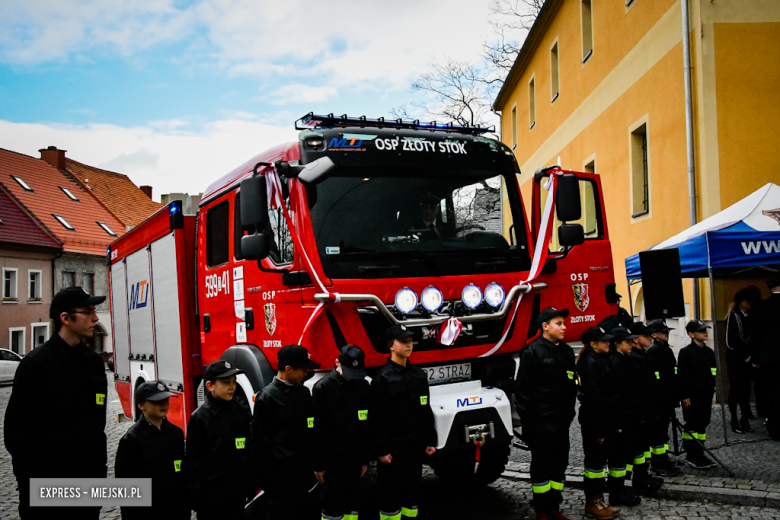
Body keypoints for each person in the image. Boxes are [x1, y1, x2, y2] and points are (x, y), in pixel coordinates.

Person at [4, 286, 107, 520]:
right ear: (65, 318)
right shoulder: (36, 365)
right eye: (88, 311)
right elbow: (16, 434)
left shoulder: (93, 362)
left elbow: (96, 426)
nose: (95, 317)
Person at [515, 308, 577, 520]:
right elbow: (523, 391)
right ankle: (542, 510)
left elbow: (571, 387)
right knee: (542, 466)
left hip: (561, 421)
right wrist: (529, 424)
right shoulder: (532, 352)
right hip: (541, 422)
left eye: (563, 323)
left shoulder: (567, 352)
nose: (564, 327)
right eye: (559, 323)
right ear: (545, 326)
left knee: (560, 464)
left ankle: (555, 506)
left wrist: (569, 414)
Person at [371, 324, 437, 520]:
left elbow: (425, 410)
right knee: (391, 495)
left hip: (414, 447)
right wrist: (381, 450)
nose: (409, 345)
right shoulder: (382, 378)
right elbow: (378, 418)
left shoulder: (418, 375)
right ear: (391, 345)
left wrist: (430, 440)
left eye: (410, 341)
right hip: (393, 449)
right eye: (403, 342)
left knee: (412, 494)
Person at [253, 344, 320, 520]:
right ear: (288, 369)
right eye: (303, 370)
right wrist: (268, 481)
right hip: (280, 479)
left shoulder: (304, 393)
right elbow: (260, 443)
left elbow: (311, 432)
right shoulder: (267, 398)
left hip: (304, 476)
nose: (306, 374)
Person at [185, 360, 255, 519]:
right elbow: (193, 462)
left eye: (233, 382)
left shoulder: (240, 410)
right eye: (225, 382)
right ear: (210, 386)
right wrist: (196, 497)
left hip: (237, 493)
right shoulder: (199, 418)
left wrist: (250, 484)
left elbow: (249, 449)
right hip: (212, 497)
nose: (232, 387)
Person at [115, 380, 189, 520]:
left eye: (165, 399)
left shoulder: (176, 434)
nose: (163, 404)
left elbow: (182, 473)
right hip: (148, 512)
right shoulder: (131, 440)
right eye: (156, 401)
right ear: (141, 405)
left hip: (175, 510)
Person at [313, 345, 371, 520]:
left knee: (353, 505)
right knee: (333, 504)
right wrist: (319, 465)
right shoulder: (322, 388)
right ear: (337, 362)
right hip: (333, 459)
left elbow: (367, 425)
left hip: (355, 457)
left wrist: (365, 458)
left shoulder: (362, 385)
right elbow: (318, 430)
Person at [576, 327, 621, 519]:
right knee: (594, 464)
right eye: (604, 341)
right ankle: (593, 502)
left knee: (600, 462)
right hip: (595, 421)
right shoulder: (588, 364)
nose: (608, 343)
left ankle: (600, 500)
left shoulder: (602, 359)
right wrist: (600, 430)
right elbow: (593, 400)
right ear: (593, 344)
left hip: (606, 418)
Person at [626, 322, 664, 493]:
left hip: (649, 408)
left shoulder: (644, 355)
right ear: (635, 339)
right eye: (645, 336)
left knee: (645, 447)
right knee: (638, 447)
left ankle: (644, 475)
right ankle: (639, 479)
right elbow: (636, 389)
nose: (649, 338)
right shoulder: (634, 359)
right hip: (640, 410)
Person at [607, 327, 642, 507]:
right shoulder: (614, 362)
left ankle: (621, 489)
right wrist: (618, 421)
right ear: (617, 343)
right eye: (627, 341)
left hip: (629, 415)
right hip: (621, 417)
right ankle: (616, 492)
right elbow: (616, 395)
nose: (631, 344)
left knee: (623, 456)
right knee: (617, 457)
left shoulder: (626, 360)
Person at [678, 320, 717, 469]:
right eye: (700, 331)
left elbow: (712, 373)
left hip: (705, 395)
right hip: (692, 396)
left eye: (704, 330)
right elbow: (682, 376)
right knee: (692, 425)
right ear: (691, 335)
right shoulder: (686, 352)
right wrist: (685, 396)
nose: (704, 333)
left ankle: (700, 452)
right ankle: (691, 455)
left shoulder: (709, 352)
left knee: (703, 424)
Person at [645, 319, 682, 477]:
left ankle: (663, 459)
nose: (667, 334)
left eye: (667, 332)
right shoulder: (654, 351)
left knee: (664, 432)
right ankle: (657, 463)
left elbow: (672, 373)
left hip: (668, 397)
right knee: (657, 433)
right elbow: (656, 379)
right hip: (659, 400)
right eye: (663, 332)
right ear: (654, 335)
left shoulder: (666, 349)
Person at [750, 279, 780, 440]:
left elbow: (755, 336)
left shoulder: (760, 307)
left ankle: (773, 427)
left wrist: (756, 358)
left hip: (767, 358)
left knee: (770, 392)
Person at [725, 289, 754, 434]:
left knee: (746, 391)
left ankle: (744, 419)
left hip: (746, 360)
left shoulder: (748, 316)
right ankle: (734, 419)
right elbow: (732, 341)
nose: (750, 303)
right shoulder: (733, 316)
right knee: (735, 390)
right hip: (735, 361)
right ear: (741, 302)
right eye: (747, 300)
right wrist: (744, 356)